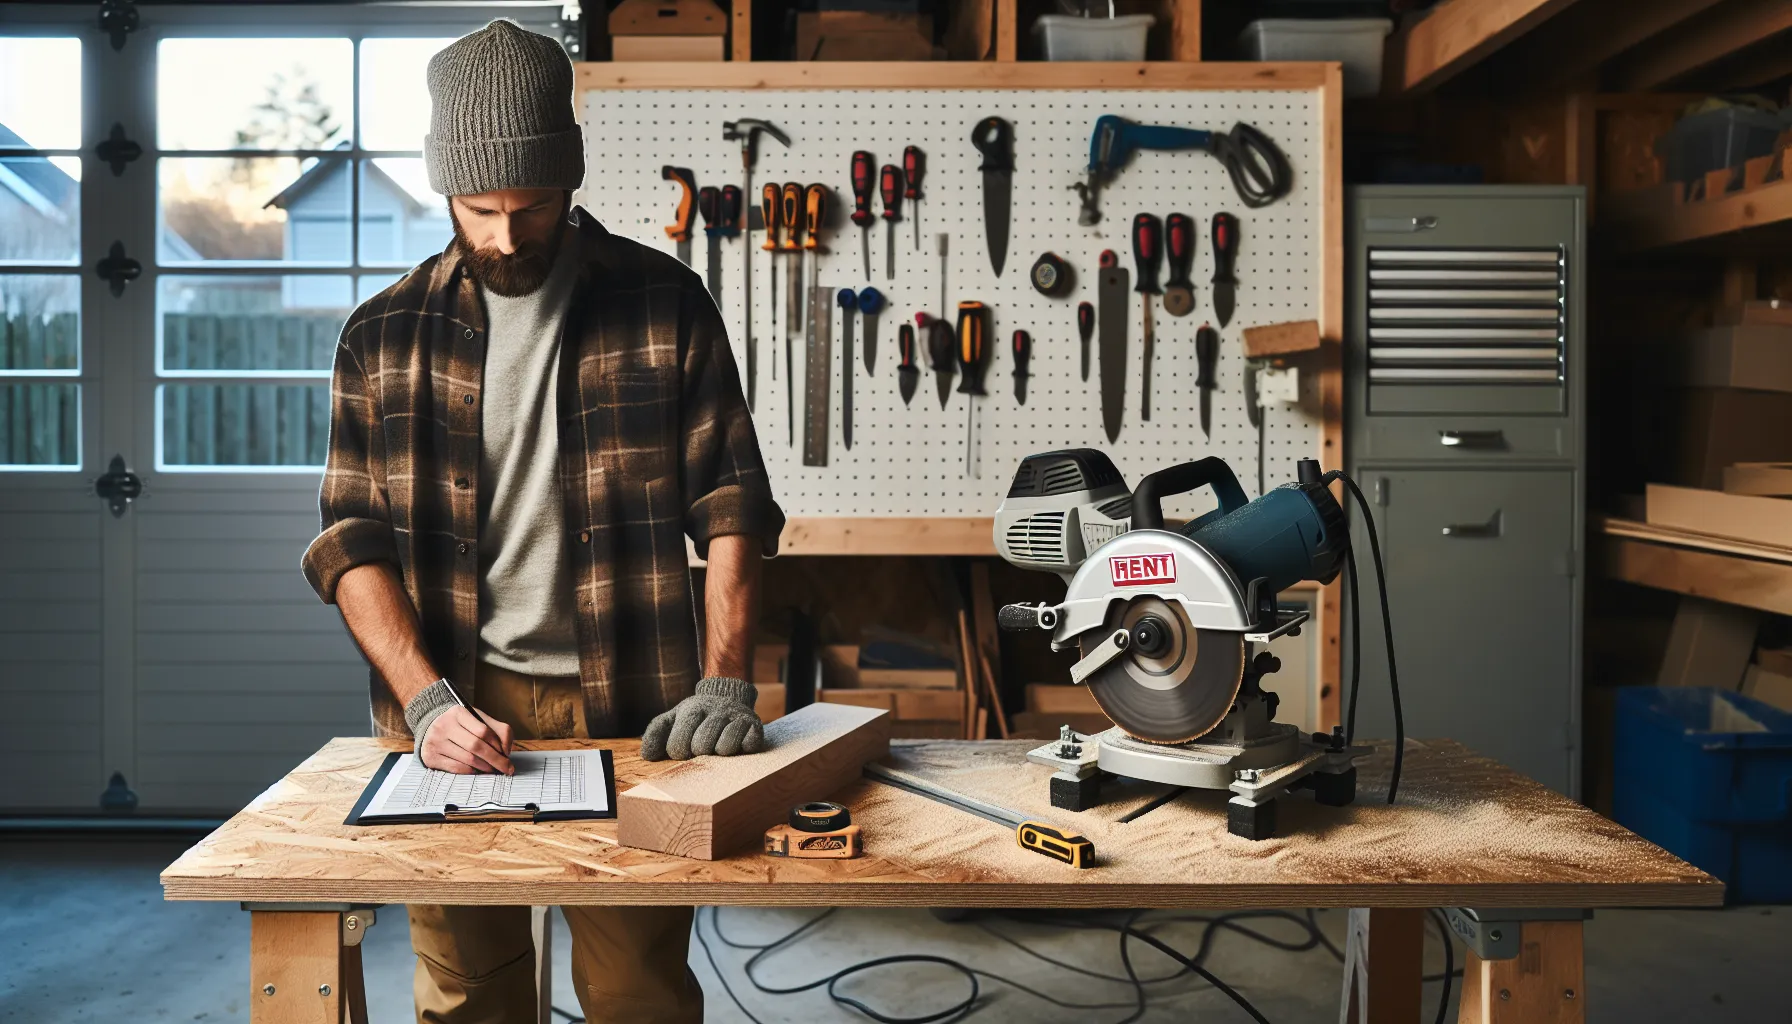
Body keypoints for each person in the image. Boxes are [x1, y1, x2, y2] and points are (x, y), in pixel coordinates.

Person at [299, 19, 782, 1024]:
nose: (508, 235)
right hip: (454, 709)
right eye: (482, 208)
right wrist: (425, 703)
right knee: (468, 995)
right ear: (445, 189)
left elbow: (732, 504)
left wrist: (729, 675)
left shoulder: (664, 302)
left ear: (570, 180)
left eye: (533, 205)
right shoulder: (381, 336)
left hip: (635, 701)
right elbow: (352, 541)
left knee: (637, 994)